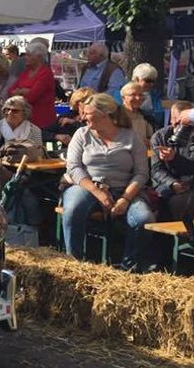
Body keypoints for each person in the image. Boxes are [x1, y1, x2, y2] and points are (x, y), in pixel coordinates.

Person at [61, 93, 155, 269]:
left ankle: (129, 267)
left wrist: (125, 199)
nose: (83, 118)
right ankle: (74, 263)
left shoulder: (131, 137)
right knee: (73, 209)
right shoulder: (82, 134)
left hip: (125, 189)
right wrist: (98, 193)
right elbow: (73, 168)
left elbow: (142, 173)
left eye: (87, 114)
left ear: (104, 115)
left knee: (144, 219)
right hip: (88, 187)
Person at [151, 101, 194, 227]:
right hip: (167, 185)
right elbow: (156, 170)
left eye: (185, 121)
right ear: (171, 119)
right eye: (178, 120)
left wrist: (175, 158)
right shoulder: (161, 136)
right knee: (180, 201)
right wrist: (173, 184)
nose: (181, 125)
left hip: (191, 184)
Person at [7, 41, 57, 129]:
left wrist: (19, 91)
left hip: (42, 121)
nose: (26, 58)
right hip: (24, 121)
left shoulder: (46, 73)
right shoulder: (26, 72)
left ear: (39, 57)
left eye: (29, 55)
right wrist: (24, 91)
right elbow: (10, 91)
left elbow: (32, 96)